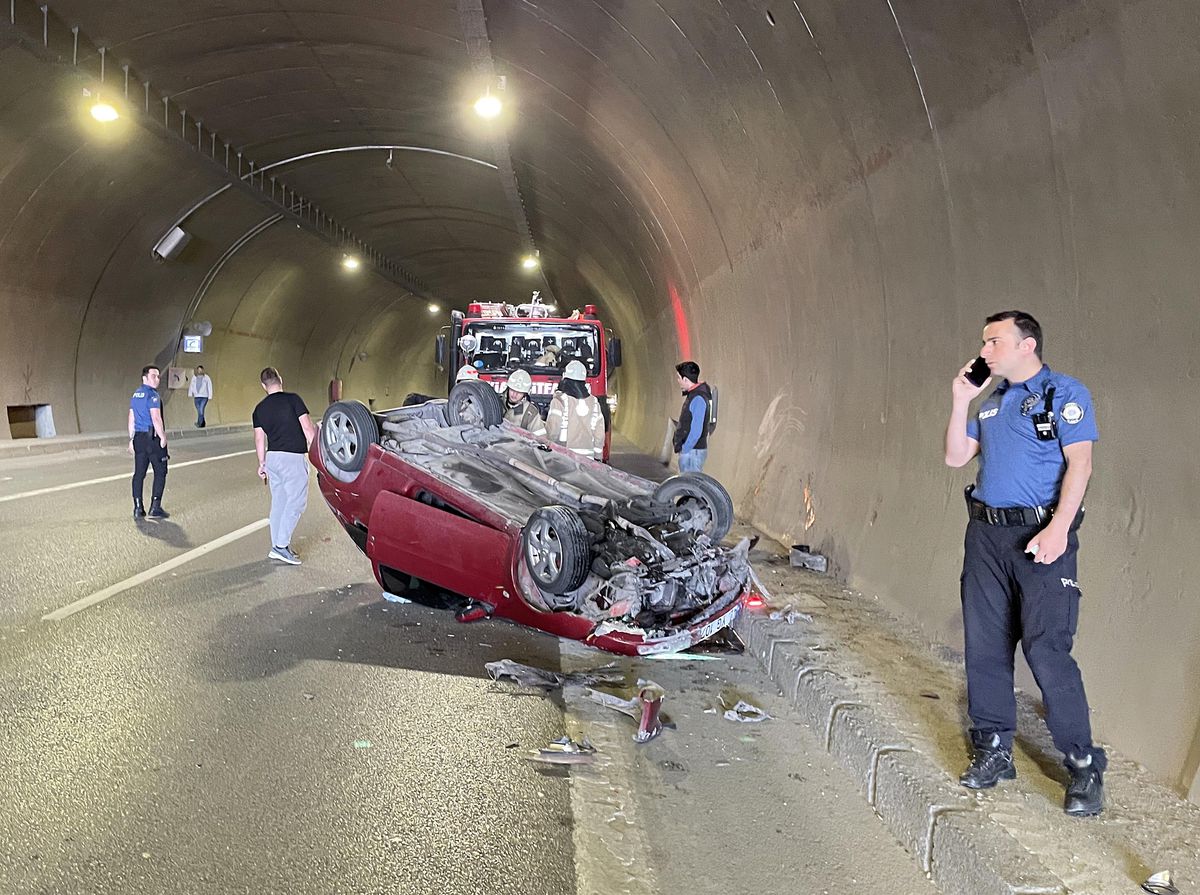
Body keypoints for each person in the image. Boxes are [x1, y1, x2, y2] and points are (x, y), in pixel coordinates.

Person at [944, 310, 1105, 817]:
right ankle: (993, 748)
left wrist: (1059, 528)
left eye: (994, 341)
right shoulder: (992, 403)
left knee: (1046, 647)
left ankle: (1082, 762)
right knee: (985, 644)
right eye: (984, 342)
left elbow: (1081, 462)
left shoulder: (1064, 393)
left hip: (1040, 535)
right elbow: (954, 457)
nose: (984, 351)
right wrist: (960, 399)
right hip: (986, 536)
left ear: (1027, 345)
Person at [253, 367, 317, 565]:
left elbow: (259, 439)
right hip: (292, 458)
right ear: (280, 379)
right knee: (296, 502)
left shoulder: (259, 409)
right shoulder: (293, 400)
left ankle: (277, 545)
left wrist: (262, 463)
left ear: (263, 386)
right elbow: (307, 428)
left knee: (279, 502)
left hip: (273, 459)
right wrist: (318, 454)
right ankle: (281, 546)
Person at [128, 364, 170, 520]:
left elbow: (131, 417)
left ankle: (138, 508)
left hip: (139, 438)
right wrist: (163, 436)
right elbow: (156, 417)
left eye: (158, 376)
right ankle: (155, 507)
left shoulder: (136, 394)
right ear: (144, 378)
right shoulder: (153, 395)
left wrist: (131, 439)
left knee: (139, 474)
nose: (157, 379)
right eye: (154, 376)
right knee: (161, 471)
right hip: (152, 439)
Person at [546, 360, 603, 460]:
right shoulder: (594, 402)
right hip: (588, 459)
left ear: (565, 378)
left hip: (564, 458)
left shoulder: (559, 401)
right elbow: (599, 435)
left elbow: (553, 431)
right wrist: (598, 457)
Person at [673, 361, 712, 472]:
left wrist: (685, 449)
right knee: (688, 486)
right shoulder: (694, 395)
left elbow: (696, 430)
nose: (678, 381)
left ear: (685, 379)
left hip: (692, 452)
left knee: (689, 487)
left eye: (679, 377)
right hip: (692, 452)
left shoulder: (698, 399)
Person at [502, 368, 547, 436]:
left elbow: (540, 439)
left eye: (519, 392)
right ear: (508, 388)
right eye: (512, 390)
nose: (514, 394)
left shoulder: (530, 412)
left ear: (525, 394)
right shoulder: (497, 404)